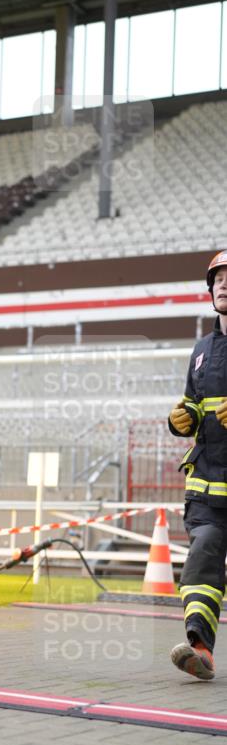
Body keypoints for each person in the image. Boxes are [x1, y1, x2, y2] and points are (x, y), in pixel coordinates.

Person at [168, 249, 227, 680]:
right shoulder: (202, 351)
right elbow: (192, 405)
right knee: (202, 554)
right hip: (208, 486)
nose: (223, 283)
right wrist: (178, 421)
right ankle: (201, 650)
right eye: (218, 278)